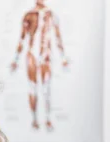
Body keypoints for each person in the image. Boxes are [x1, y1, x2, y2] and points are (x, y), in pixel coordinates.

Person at [11, 0, 69, 132]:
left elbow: (58, 36)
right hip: (32, 55)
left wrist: (63, 58)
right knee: (33, 87)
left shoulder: (51, 15)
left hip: (45, 55)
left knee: (46, 88)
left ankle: (47, 119)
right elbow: (22, 38)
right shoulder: (29, 15)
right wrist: (16, 59)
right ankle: (34, 119)